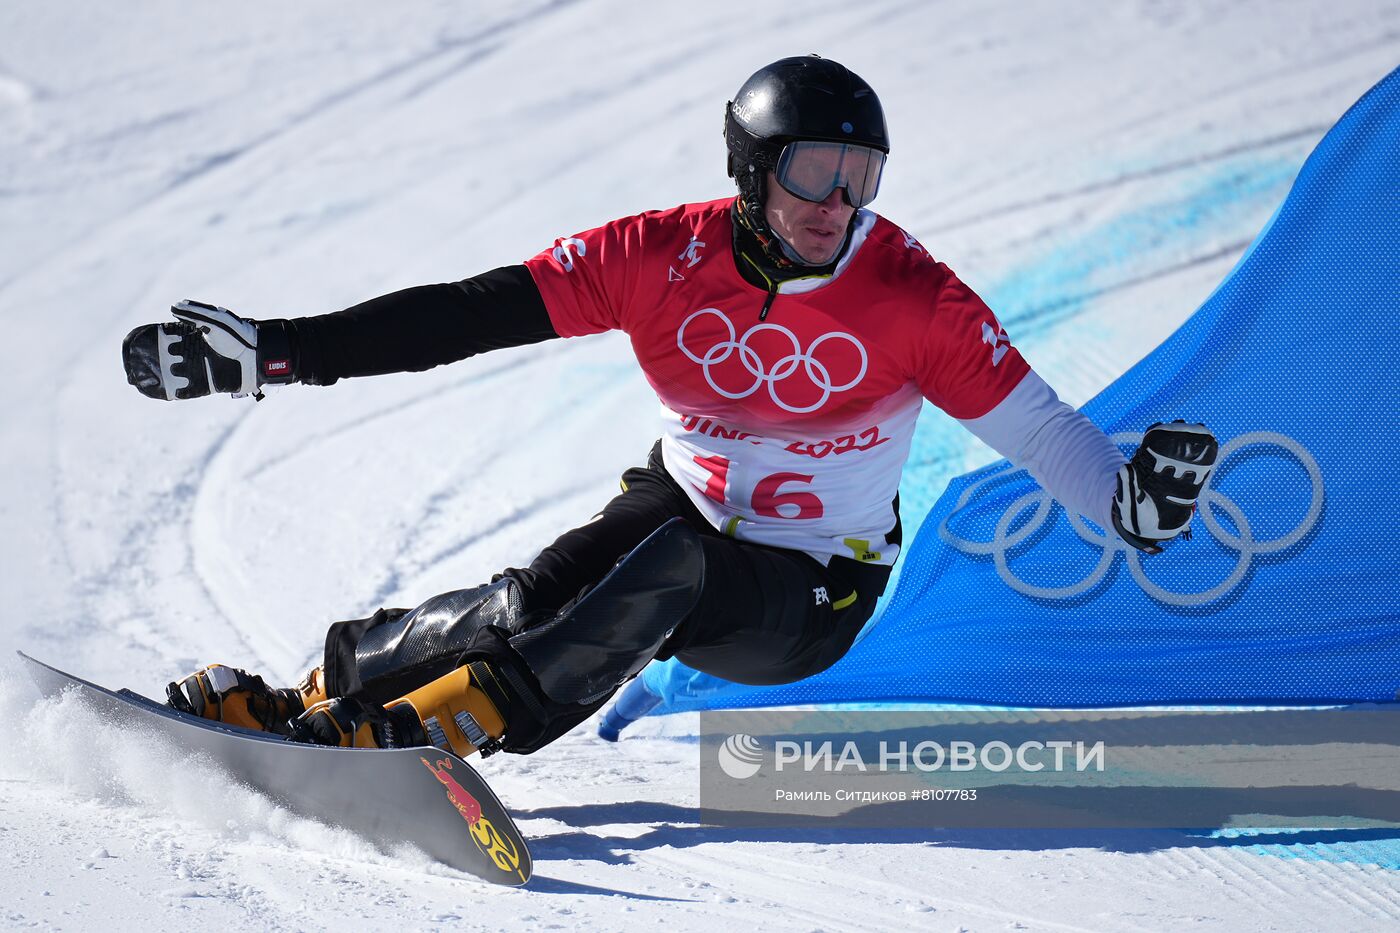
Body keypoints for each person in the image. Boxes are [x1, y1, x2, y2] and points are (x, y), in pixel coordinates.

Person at [121, 55, 1219, 759]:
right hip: (678, 505)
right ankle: (309, 697)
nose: (839, 205)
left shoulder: (909, 294)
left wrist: (1122, 505)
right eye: (813, 172)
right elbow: (467, 315)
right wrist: (275, 353)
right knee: (532, 595)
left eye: (861, 175)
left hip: (813, 596)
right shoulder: (657, 254)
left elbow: (1034, 427)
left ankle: (424, 733)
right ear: (750, 172)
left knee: (667, 572)